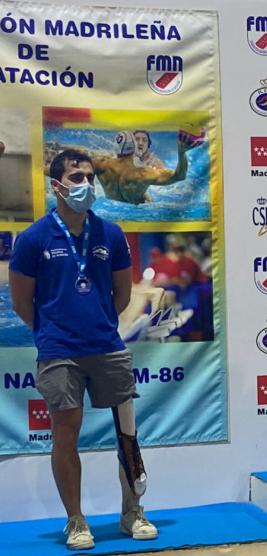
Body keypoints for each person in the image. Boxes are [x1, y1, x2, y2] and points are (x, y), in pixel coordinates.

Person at [8, 149, 158, 549]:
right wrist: (53, 331)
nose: (86, 184)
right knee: (65, 434)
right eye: (76, 177)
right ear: (57, 185)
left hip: (107, 347)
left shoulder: (110, 233)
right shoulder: (34, 238)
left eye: (90, 176)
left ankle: (133, 513)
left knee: (128, 433)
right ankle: (76, 521)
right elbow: (23, 302)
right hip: (58, 351)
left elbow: (122, 294)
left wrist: (97, 322)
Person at [92, 130, 202, 205]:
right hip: (141, 210)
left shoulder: (100, 164)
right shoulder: (144, 174)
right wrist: (182, 152)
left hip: (110, 207)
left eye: (144, 140)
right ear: (134, 147)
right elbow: (179, 176)